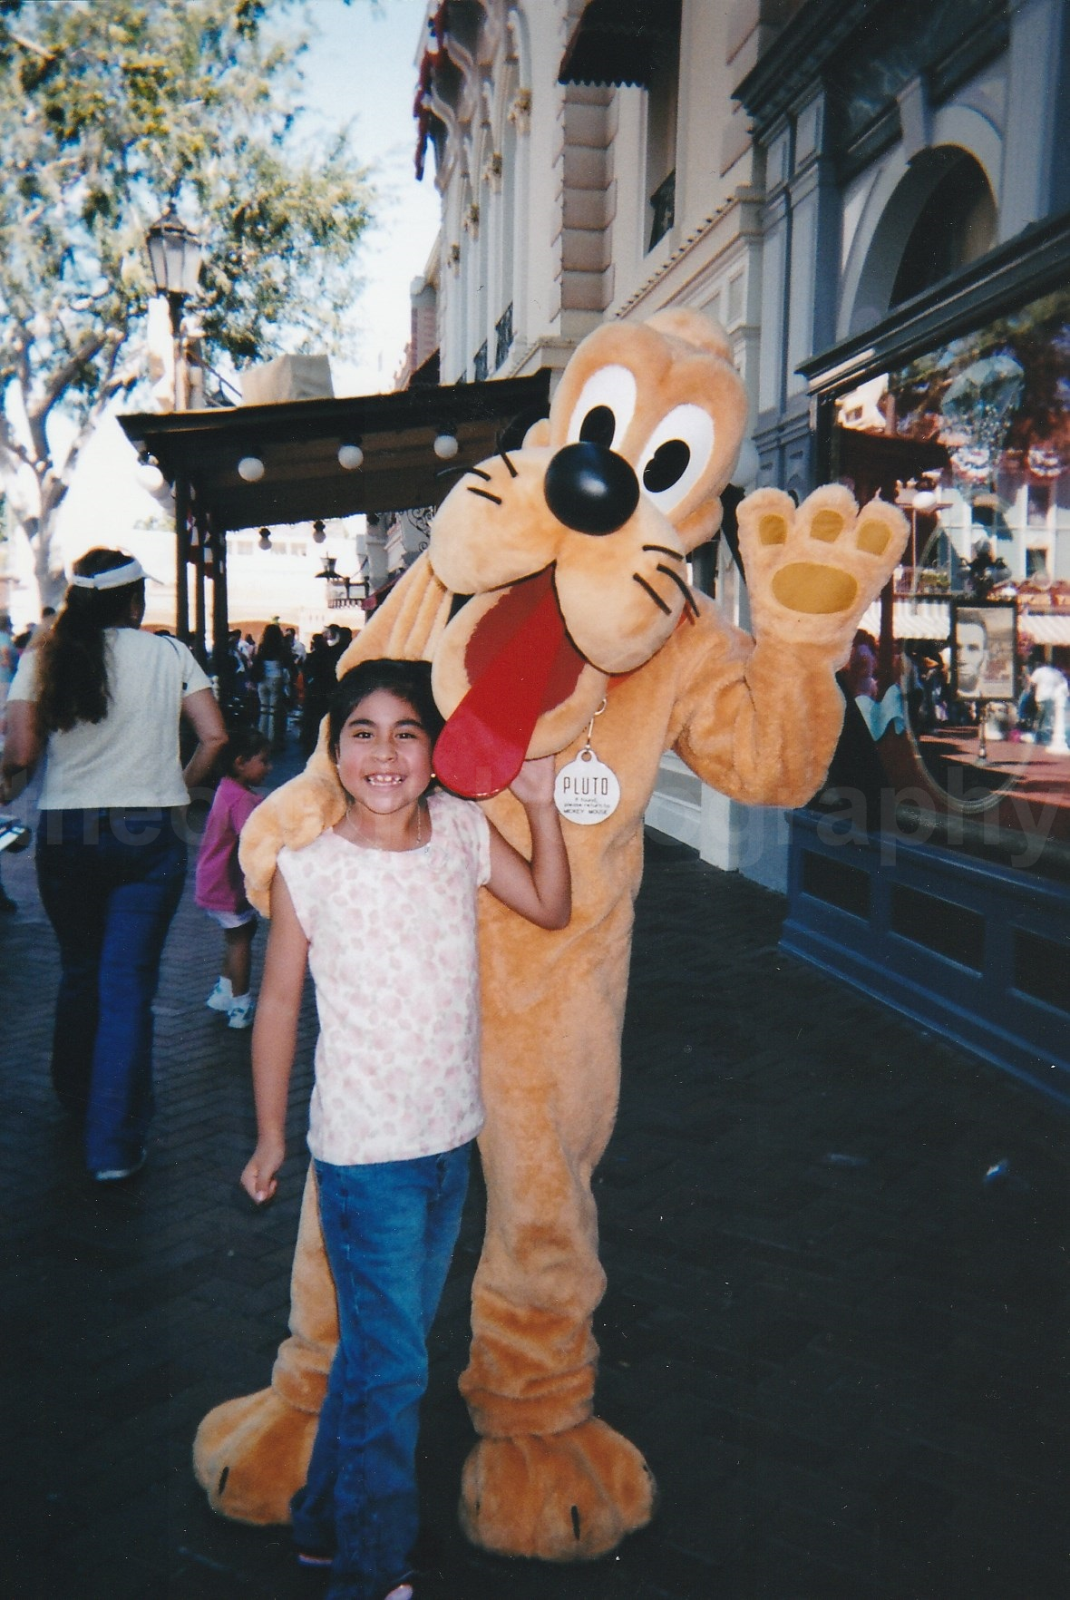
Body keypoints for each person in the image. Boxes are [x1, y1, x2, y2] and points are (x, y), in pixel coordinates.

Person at [239, 658, 571, 1600]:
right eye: (362, 733)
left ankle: (319, 1525)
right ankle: (369, 1571)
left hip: (447, 1145)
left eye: (407, 732)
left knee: (382, 1356)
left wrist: (541, 804)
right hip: (363, 1160)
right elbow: (275, 1010)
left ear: (436, 752)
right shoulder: (310, 873)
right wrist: (271, 1138)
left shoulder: (465, 832)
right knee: (394, 1372)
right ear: (335, 751)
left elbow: (551, 905)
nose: (385, 753)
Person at [0, 549, 227, 1180]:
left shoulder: (44, 657)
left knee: (79, 971)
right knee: (126, 987)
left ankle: (74, 1097)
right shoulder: (169, 655)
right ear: (134, 602)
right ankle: (114, 1145)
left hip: (67, 831)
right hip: (146, 831)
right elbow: (214, 737)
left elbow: (19, 749)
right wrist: (176, 785)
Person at [195, 726, 272, 1030]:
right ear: (241, 762)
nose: (268, 767)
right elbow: (252, 839)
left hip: (214, 882)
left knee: (239, 934)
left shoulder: (228, 788)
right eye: (263, 761)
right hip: (227, 886)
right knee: (240, 939)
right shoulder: (241, 800)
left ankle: (224, 992)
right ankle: (240, 1004)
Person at [251, 622, 291, 748]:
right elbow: (288, 663)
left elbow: (256, 662)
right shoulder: (281, 647)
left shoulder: (262, 647)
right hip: (276, 679)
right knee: (274, 711)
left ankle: (261, 737)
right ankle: (272, 740)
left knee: (264, 710)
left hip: (262, 679)